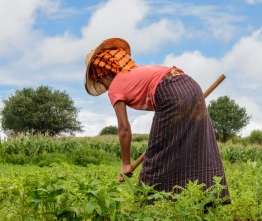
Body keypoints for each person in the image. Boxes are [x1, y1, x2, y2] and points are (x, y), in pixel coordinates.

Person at [84, 37, 230, 203]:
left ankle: (144, 207)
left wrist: (126, 163)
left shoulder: (116, 86)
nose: (105, 86)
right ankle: (208, 202)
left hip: (170, 91)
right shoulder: (140, 71)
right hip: (190, 85)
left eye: (101, 81)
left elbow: (124, 128)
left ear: (103, 73)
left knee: (157, 152)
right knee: (198, 145)